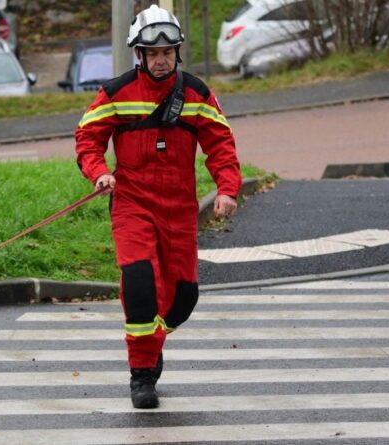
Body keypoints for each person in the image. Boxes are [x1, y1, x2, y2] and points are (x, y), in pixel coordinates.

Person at [74, 4, 242, 409]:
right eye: (153, 53)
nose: (161, 59)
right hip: (132, 203)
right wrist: (99, 172)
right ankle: (142, 375)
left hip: (180, 210)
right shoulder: (115, 93)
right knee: (140, 285)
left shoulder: (198, 94)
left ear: (177, 53)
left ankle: (154, 340)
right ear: (140, 55)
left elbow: (221, 144)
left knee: (183, 298)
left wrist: (227, 189)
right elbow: (87, 139)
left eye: (168, 52)